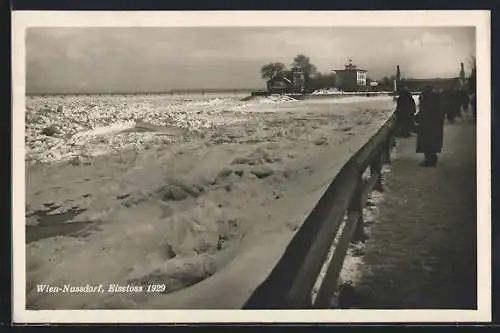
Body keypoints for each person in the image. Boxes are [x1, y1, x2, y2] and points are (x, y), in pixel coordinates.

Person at [415, 86, 445, 167]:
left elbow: (426, 113)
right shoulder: (436, 100)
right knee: (432, 144)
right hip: (434, 126)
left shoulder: (428, 100)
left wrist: (418, 118)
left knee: (427, 144)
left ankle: (429, 161)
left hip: (428, 126)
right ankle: (432, 160)